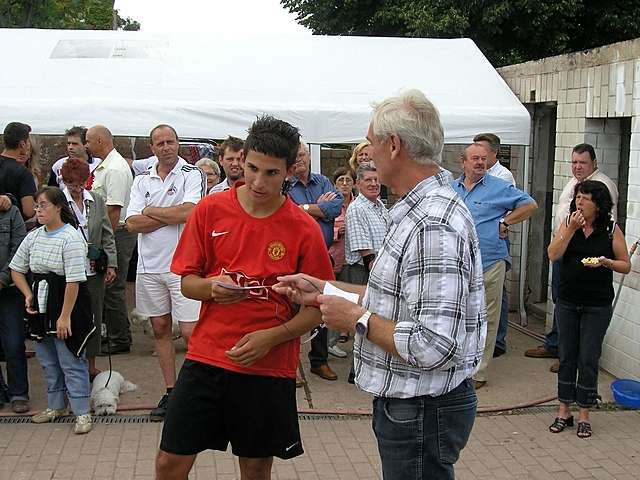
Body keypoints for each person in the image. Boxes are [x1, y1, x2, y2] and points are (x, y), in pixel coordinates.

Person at [274, 89, 486, 480]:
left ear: (393, 145)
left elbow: (434, 344)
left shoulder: (432, 224)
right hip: (414, 405)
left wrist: (356, 317)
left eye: (370, 142)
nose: (366, 151)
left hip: (421, 406)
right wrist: (324, 290)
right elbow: (394, 299)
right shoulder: (417, 210)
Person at [155, 115, 333, 480]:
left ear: (288, 170)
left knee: (254, 467)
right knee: (170, 462)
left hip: (268, 366)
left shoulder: (303, 229)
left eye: (271, 173)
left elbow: (318, 308)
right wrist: (211, 287)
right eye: (252, 168)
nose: (257, 182)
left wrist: (272, 337)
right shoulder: (210, 210)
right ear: (240, 158)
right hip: (208, 356)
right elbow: (188, 283)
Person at [126, 124, 206, 421]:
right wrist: (168, 213)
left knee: (190, 331)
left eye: (170, 141)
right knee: (159, 328)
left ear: (178, 143)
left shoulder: (192, 174)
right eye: (159, 143)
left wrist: (150, 211)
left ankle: (196, 390)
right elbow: (131, 224)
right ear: (152, 147)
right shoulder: (141, 180)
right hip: (149, 267)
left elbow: (191, 212)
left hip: (183, 265)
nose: (165, 147)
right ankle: (172, 391)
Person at [547, 180, 630, 438]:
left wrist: (606, 262)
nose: (580, 202)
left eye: (586, 198)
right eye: (578, 197)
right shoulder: (569, 223)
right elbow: (553, 253)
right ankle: (564, 410)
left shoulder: (610, 229)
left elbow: (625, 265)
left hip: (597, 303)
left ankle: (584, 411)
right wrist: (570, 230)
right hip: (568, 300)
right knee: (567, 355)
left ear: (598, 203)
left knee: (588, 357)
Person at [525, 143, 619, 370]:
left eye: (582, 163)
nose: (577, 167)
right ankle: (557, 345)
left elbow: (607, 225)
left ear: (594, 163)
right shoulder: (575, 183)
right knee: (561, 299)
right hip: (565, 249)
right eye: (574, 162)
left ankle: (571, 356)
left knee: (576, 307)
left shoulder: (602, 186)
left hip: (585, 256)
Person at [451, 143, 537, 389]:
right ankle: (458, 364)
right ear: (463, 162)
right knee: (460, 316)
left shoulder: (500, 188)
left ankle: (478, 373)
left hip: (490, 262)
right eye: (475, 158)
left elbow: (530, 205)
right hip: (458, 264)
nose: (480, 163)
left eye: (483, 159)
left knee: (486, 317)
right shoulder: (449, 189)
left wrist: (506, 221)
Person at [10, 187, 94, 434]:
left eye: (43, 205)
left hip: (66, 302)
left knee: (70, 359)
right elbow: (16, 268)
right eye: (36, 206)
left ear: (58, 207)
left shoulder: (71, 237)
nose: (38, 211)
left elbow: (74, 280)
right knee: (47, 360)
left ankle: (82, 411)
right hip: (41, 302)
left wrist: (65, 316)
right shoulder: (34, 236)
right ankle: (56, 405)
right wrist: (28, 295)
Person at [288, 141, 343, 381]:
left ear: (308, 156)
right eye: (295, 156)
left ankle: (318, 361)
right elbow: (288, 213)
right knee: (289, 309)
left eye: (302, 154)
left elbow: (335, 207)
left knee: (321, 306)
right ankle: (289, 365)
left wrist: (305, 208)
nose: (299, 159)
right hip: (292, 257)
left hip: (322, 256)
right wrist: (318, 207)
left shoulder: (322, 182)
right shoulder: (285, 184)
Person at [60, 158, 117, 380]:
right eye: (73, 183)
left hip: (94, 269)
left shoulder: (96, 200)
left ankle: (91, 364)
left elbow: (106, 233)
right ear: (65, 181)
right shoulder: (58, 201)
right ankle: (71, 365)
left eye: (82, 182)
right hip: (68, 271)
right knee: (69, 317)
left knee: (94, 317)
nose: (78, 188)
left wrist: (111, 263)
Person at [86, 125, 135, 355]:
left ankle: (119, 339)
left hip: (118, 232)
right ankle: (119, 332)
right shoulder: (106, 166)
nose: (86, 145)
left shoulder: (115, 169)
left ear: (99, 140)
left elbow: (114, 210)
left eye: (87, 141)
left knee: (113, 286)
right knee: (110, 286)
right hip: (113, 232)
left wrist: (107, 242)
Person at [474, 133, 514, 357]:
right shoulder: (478, 177)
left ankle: (497, 340)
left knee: (498, 291)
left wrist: (503, 222)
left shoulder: (502, 177)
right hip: (479, 240)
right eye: (475, 154)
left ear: (494, 153)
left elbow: (514, 206)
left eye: (482, 152)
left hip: (495, 239)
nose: (479, 158)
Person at [0, 201, 28, 413]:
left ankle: (19, 393)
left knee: (14, 342)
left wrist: (2, 279)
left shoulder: (10, 211)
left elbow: (19, 249)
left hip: (9, 288)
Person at [327, 166, 356, 355]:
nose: (344, 184)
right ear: (334, 184)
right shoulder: (330, 204)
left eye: (348, 180)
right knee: (332, 298)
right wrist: (338, 232)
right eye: (340, 180)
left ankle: (340, 336)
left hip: (351, 260)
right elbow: (321, 227)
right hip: (333, 258)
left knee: (348, 299)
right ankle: (330, 342)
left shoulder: (359, 204)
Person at [0, 122, 36, 219]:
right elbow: (29, 211)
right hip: (12, 228)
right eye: (28, 141)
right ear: (22, 144)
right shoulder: (23, 173)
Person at [48, 126, 101, 191]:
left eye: (75, 144)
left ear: (85, 144)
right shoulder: (58, 165)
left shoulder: (98, 165)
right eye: (69, 143)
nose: (70, 147)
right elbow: (52, 193)